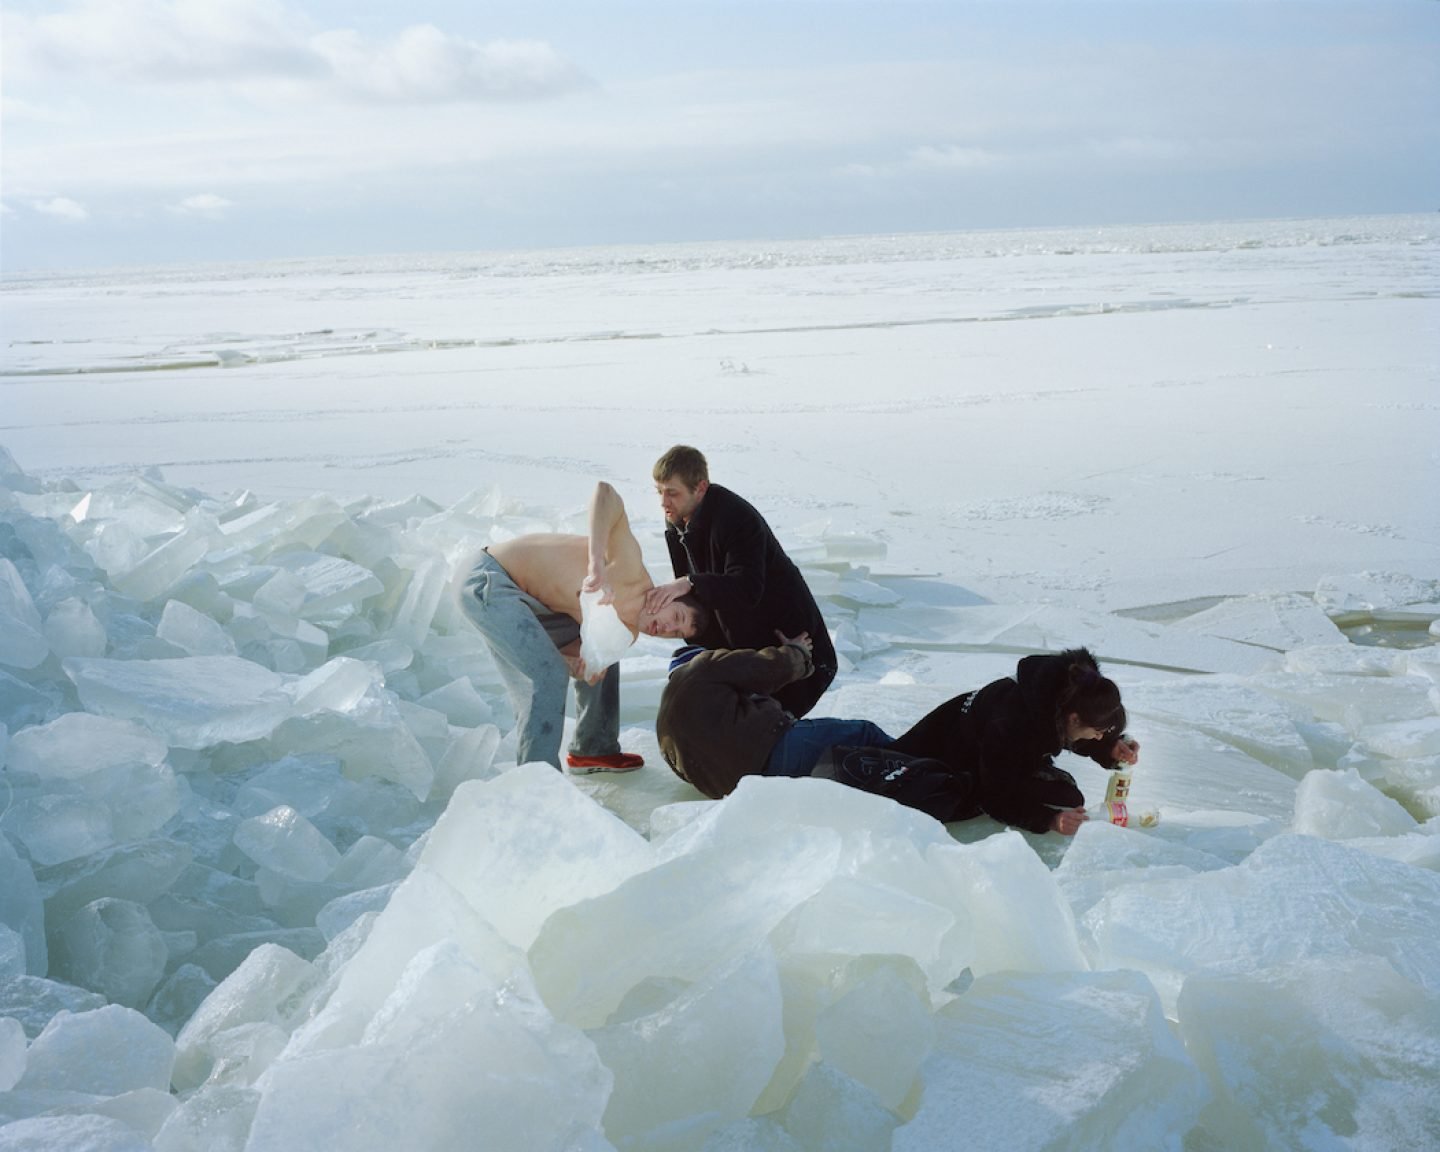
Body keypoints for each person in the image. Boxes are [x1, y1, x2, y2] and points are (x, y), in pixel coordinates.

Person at [459, 481, 706, 774]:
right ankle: (537, 781)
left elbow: (580, 660)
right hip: (488, 578)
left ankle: (593, 748)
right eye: (675, 617)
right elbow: (605, 493)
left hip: (535, 608)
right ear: (669, 595)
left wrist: (583, 664)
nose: (665, 628)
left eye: (675, 634)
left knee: (605, 656)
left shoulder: (627, 632)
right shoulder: (629, 569)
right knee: (547, 675)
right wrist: (596, 565)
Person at [656, 631, 974, 822]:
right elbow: (765, 668)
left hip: (752, 792)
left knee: (846, 771)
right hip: (777, 748)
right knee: (865, 734)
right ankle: (939, 774)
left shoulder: (663, 725)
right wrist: (797, 652)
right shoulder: (702, 667)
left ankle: (901, 792)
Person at [644, 445, 837, 719]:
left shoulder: (736, 519)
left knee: (769, 736)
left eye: (672, 493)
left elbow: (746, 588)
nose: (664, 502)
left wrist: (690, 582)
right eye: (659, 492)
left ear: (700, 488)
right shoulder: (677, 520)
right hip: (745, 651)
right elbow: (697, 602)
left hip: (793, 646)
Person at [889, 647, 1140, 836]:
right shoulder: (1012, 726)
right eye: (1100, 731)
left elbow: (1070, 731)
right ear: (1074, 719)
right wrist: (1049, 820)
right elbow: (994, 796)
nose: (1100, 735)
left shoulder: (1065, 694)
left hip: (987, 749)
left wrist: (1108, 748)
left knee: (1065, 794)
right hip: (943, 760)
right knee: (1064, 797)